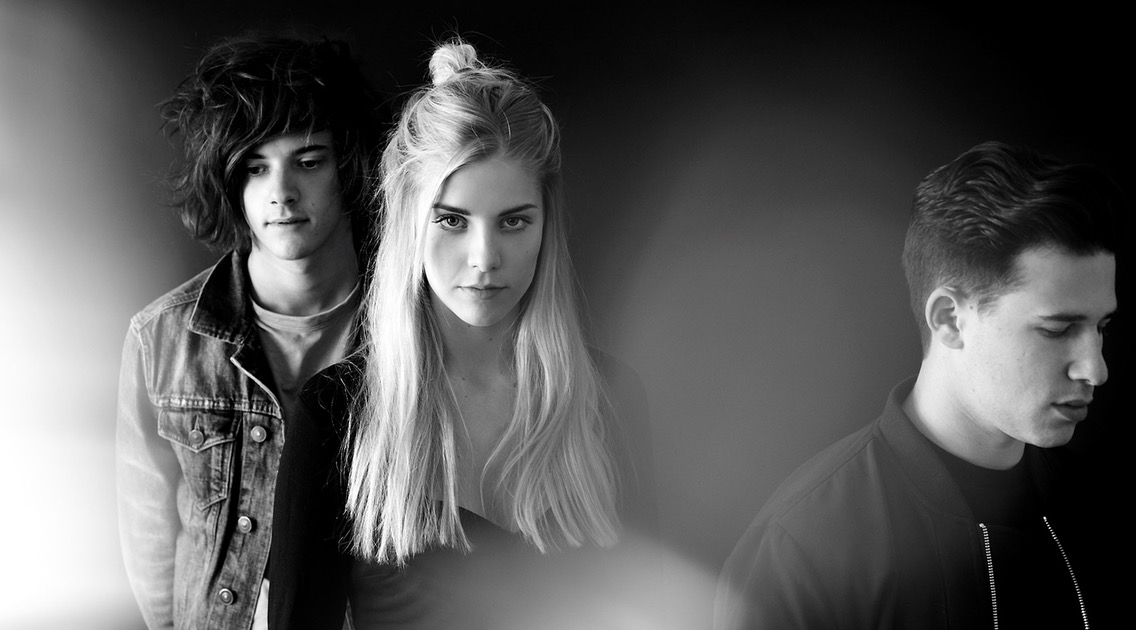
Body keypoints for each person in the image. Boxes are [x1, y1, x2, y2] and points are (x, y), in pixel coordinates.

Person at [302, 38, 658, 629]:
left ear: (547, 226)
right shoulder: (336, 413)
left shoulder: (609, 397)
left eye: (513, 221)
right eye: (452, 220)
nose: (485, 258)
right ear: (409, 223)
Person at [714, 141, 1124, 629]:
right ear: (949, 319)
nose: (1095, 369)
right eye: (1057, 330)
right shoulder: (803, 548)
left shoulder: (1102, 508)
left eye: (1101, 327)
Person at [116, 34, 380, 629]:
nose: (281, 193)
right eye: (256, 168)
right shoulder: (163, 339)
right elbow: (150, 540)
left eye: (308, 162)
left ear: (349, 167)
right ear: (230, 183)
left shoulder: (410, 331)